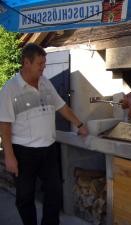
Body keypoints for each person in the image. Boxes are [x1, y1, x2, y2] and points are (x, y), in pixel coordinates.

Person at [0, 43, 88, 225]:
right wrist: (9, 156)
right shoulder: (10, 89)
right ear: (26, 63)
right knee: (25, 197)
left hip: (48, 149)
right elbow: (5, 124)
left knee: (54, 192)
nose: (44, 67)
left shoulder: (45, 82)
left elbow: (61, 106)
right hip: (24, 152)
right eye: (40, 63)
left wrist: (79, 124)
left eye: (44, 63)